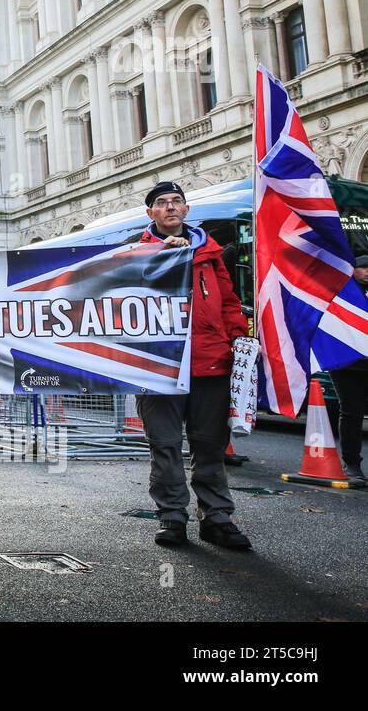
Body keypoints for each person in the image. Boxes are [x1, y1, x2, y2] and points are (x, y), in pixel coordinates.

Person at [137, 181, 251, 550]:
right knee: (165, 444)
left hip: (211, 362)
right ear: (151, 213)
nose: (170, 207)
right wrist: (161, 259)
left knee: (210, 445)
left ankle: (217, 518)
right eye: (161, 203)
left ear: (186, 210)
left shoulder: (212, 253)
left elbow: (229, 302)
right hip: (159, 367)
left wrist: (238, 341)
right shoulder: (135, 254)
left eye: (176, 201)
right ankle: (171, 517)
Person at [328, 255, 368, 484]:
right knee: (351, 412)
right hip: (348, 365)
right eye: (362, 267)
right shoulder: (340, 291)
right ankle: (351, 463)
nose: (367, 271)